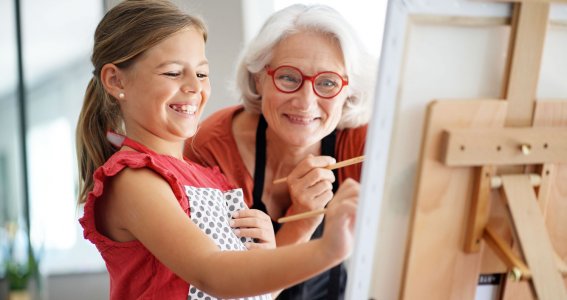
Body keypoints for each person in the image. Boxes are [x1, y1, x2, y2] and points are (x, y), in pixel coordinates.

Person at [76, 1, 359, 299]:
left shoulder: (212, 180)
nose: (193, 87)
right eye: (173, 73)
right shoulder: (133, 181)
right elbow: (213, 273)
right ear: (115, 80)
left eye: (200, 74)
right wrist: (328, 249)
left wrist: (281, 240)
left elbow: (256, 292)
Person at [185, 4, 373, 299]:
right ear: (259, 77)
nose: (306, 103)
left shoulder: (362, 142)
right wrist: (304, 217)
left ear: (348, 90)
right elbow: (241, 294)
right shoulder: (209, 151)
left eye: (327, 82)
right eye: (288, 77)